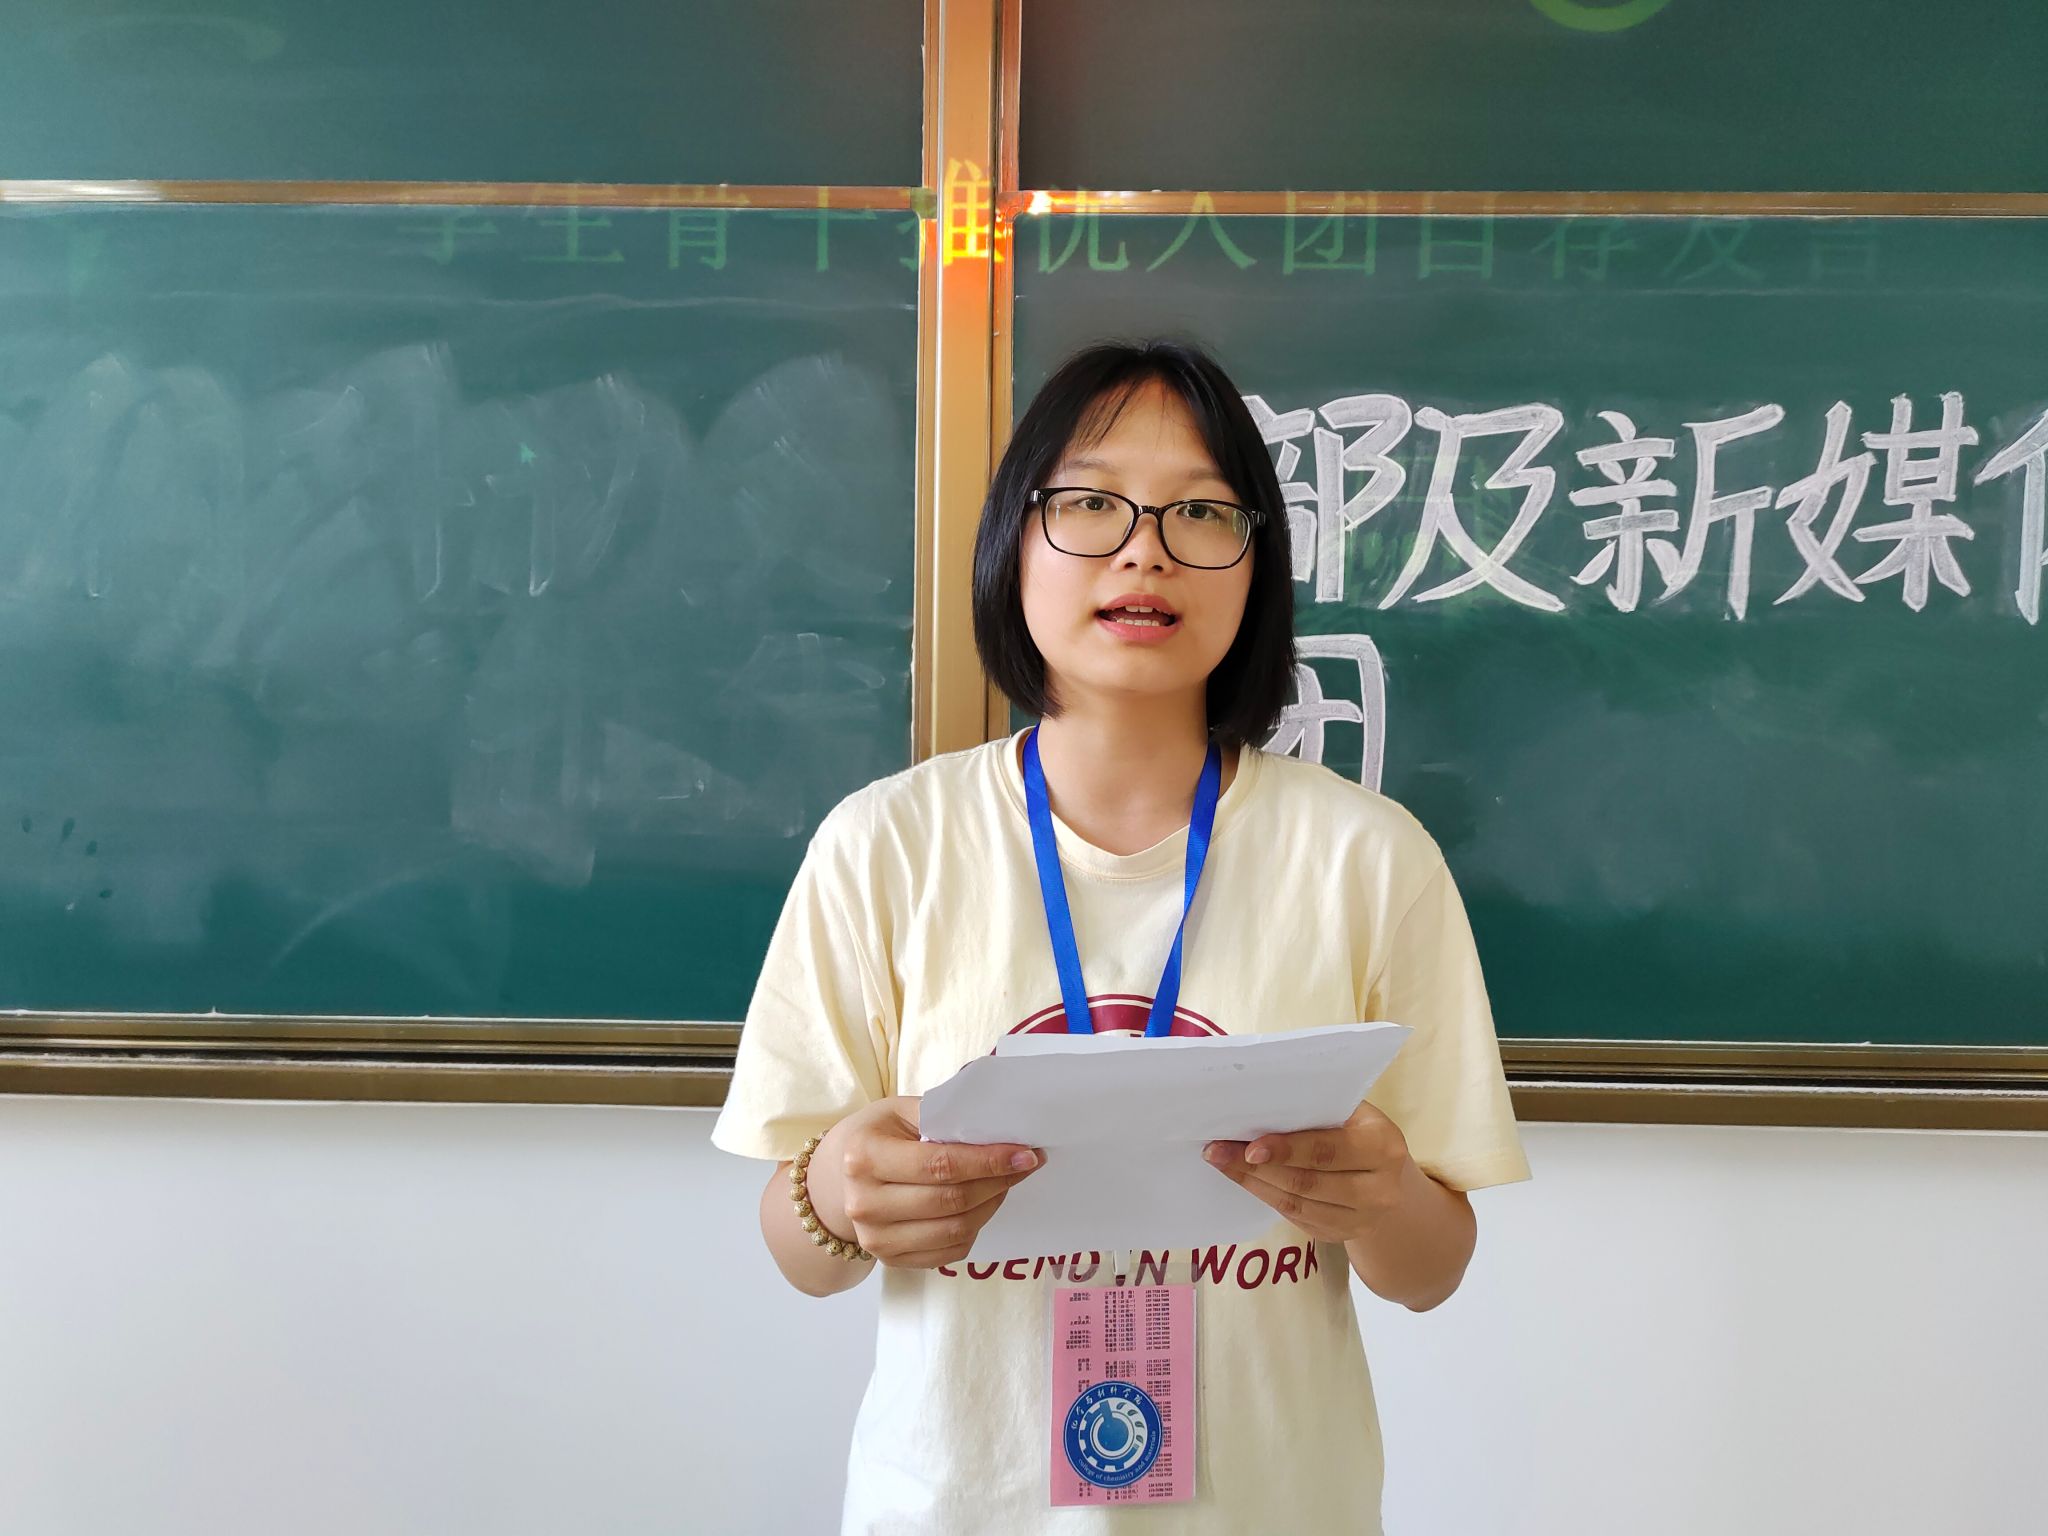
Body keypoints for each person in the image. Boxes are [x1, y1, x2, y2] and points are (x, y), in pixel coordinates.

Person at [712, 337, 1530, 1533]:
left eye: (1200, 512)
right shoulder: (885, 844)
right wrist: (837, 1188)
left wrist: (1380, 1192)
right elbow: (801, 1256)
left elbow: (1430, 1270)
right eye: (1090, 503)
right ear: (1013, 541)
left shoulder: (1367, 856)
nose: (1145, 549)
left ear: (1256, 565)